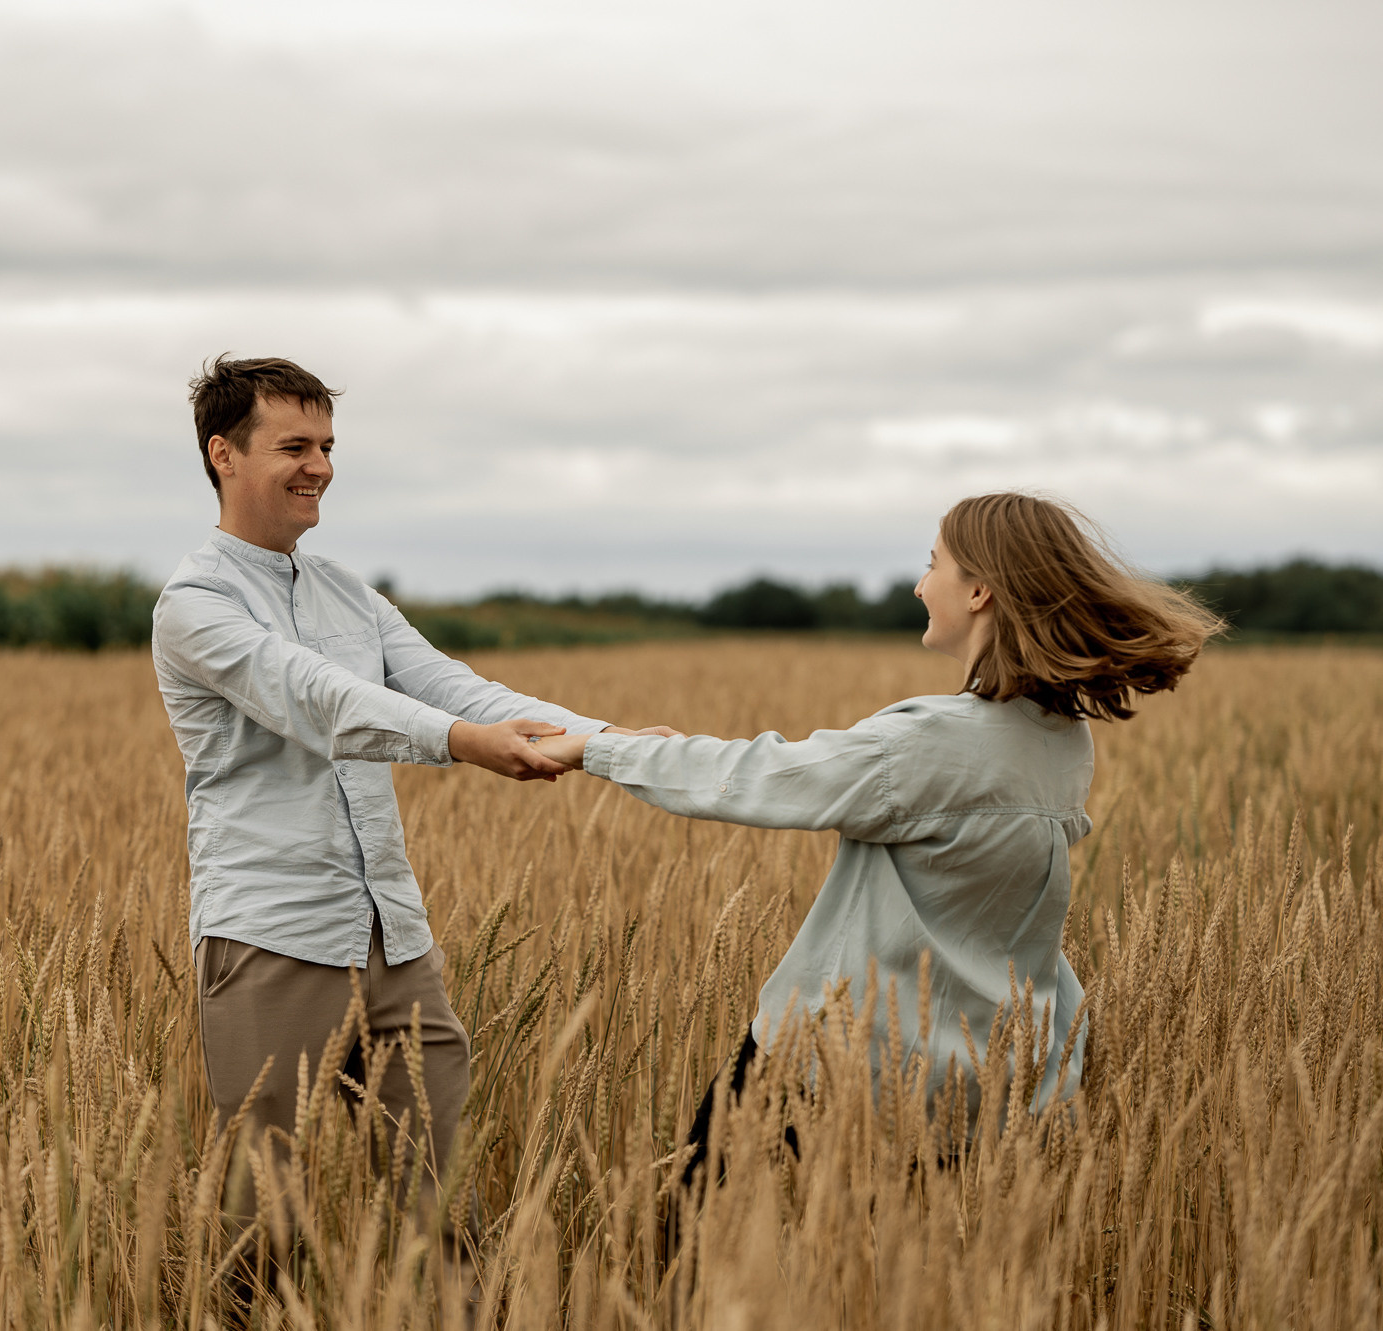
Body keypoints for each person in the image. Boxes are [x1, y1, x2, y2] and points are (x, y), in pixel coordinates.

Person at [530, 492, 1221, 1187]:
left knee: (696, 1251)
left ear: (979, 589)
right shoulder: (1064, 741)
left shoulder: (931, 740)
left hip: (832, 1067)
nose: (921, 585)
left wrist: (595, 749)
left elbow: (759, 776)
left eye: (933, 565)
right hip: (981, 1083)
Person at [150, 355, 672, 1240]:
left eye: (326, 444)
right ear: (223, 454)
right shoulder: (195, 604)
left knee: (444, 1197)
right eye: (294, 445)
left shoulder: (349, 592)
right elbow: (318, 698)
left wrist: (607, 740)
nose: (319, 464)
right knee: (263, 1214)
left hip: (392, 933)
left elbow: (453, 687)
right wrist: (465, 748)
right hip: (276, 931)